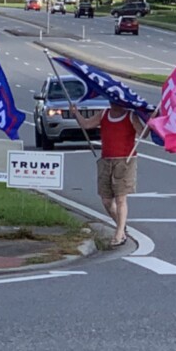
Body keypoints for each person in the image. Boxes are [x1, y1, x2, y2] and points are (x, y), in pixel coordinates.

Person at [70, 100, 144, 247]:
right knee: (106, 200)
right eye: (112, 101)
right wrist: (76, 113)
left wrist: (152, 123)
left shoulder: (130, 116)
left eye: (117, 101)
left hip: (125, 161)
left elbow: (142, 133)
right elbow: (86, 124)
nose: (114, 104)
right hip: (106, 160)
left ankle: (119, 234)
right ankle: (121, 227)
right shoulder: (104, 114)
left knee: (120, 199)